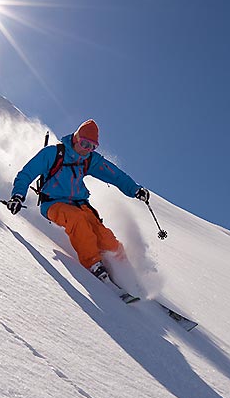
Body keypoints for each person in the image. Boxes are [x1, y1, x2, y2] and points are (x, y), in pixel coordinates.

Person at [8, 120, 150, 282]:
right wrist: (18, 196)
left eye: (92, 147)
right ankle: (94, 263)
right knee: (78, 220)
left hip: (81, 204)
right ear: (76, 139)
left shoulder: (89, 160)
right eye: (84, 144)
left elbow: (115, 175)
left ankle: (127, 271)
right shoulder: (53, 154)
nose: (87, 150)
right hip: (53, 203)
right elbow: (26, 173)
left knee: (105, 238)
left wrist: (135, 189)